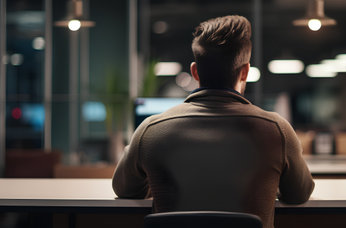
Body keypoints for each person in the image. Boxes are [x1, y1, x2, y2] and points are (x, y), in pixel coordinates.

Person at [112, 15, 314, 228]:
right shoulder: (276, 129)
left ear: (195, 71)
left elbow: (124, 189)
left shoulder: (151, 130)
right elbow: (299, 194)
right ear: (245, 72)